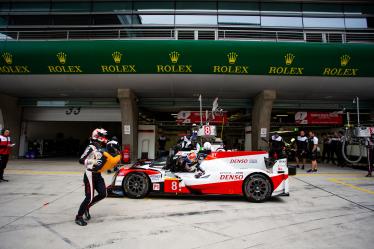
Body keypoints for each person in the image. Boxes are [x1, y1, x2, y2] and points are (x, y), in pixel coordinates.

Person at [75, 128, 109, 226]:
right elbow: (81, 160)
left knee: (103, 193)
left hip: (97, 174)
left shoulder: (101, 146)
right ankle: (79, 217)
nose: (104, 138)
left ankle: (87, 207)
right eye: (102, 136)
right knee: (89, 197)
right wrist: (92, 161)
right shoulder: (91, 147)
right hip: (90, 174)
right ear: (97, 136)